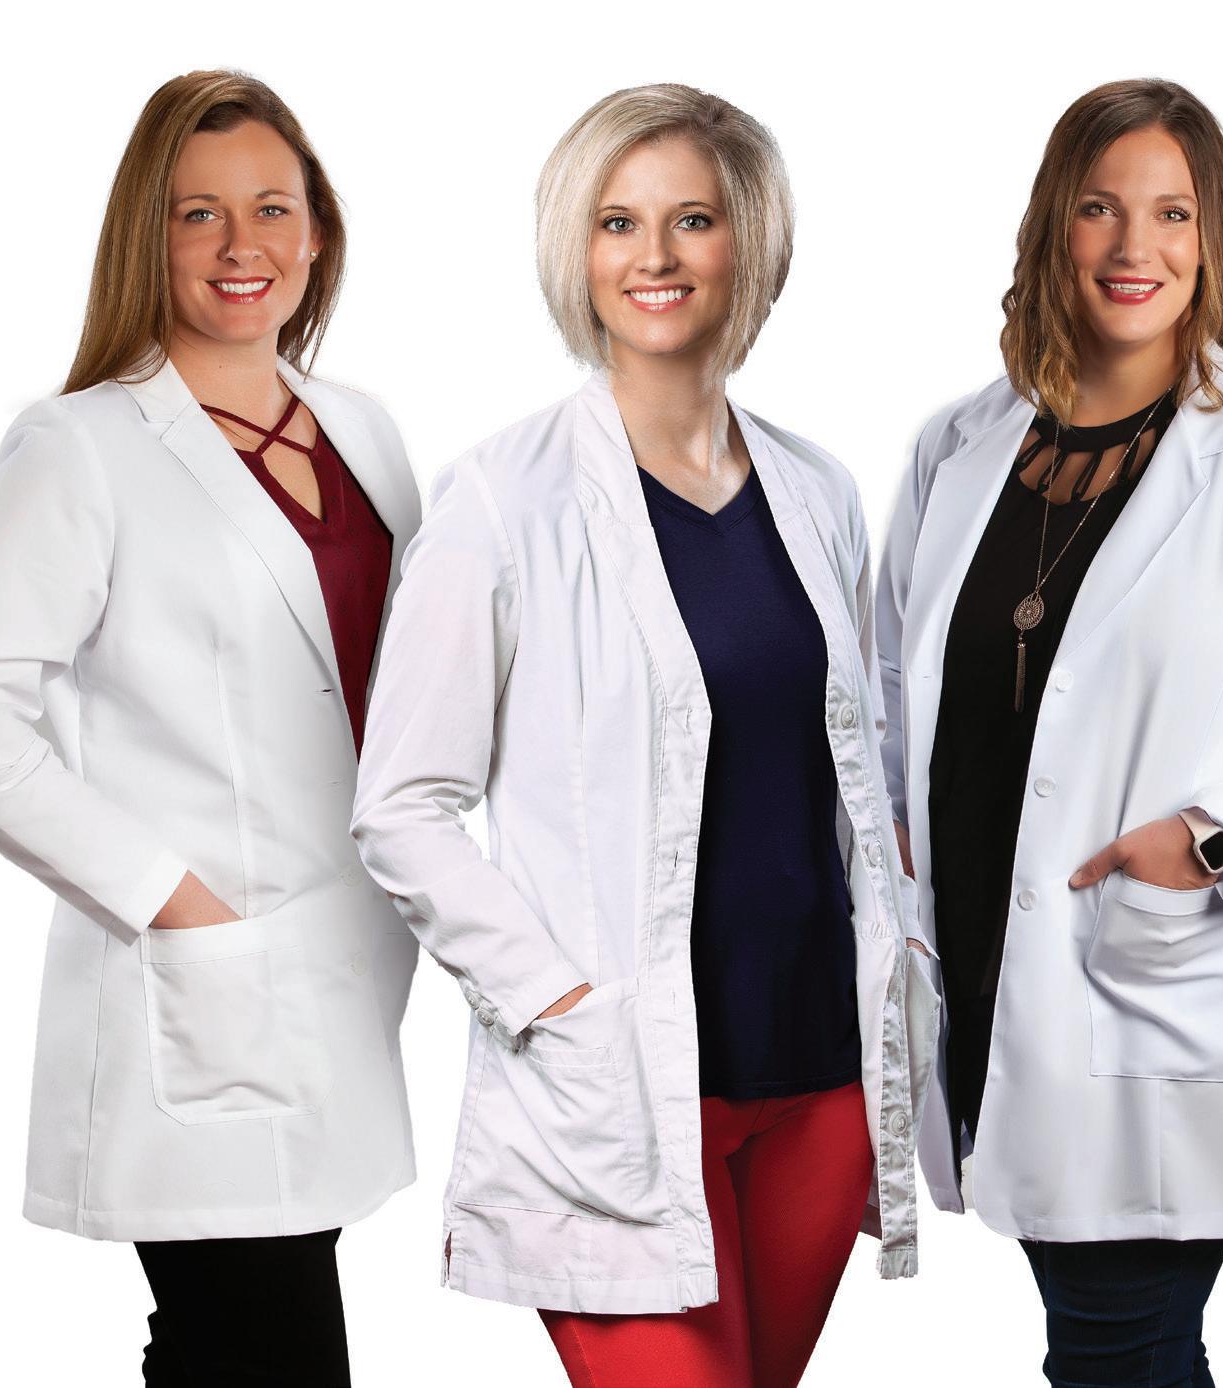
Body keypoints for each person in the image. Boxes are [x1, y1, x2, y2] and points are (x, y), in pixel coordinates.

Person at [352, 83, 937, 1388]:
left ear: (750, 243)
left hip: (820, 1081)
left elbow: (849, 767)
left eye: (694, 220)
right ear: (577, 249)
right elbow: (401, 805)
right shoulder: (501, 502)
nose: (655, 256)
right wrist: (550, 996)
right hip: (615, 1086)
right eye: (618, 222)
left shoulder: (817, 489)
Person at [877, 78, 1223, 1387]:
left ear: (1214, 235)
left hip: (1151, 983)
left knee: (1117, 1348)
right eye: (1101, 208)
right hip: (980, 970)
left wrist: (1211, 837)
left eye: (1173, 212)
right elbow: (892, 676)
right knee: (1111, 1351)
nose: (1136, 246)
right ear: (1053, 228)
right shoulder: (962, 445)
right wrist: (895, 829)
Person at [0, 70, 422, 1386]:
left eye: (271, 208)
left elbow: (402, 681)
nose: (242, 245)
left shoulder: (361, 431)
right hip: (198, 988)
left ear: (318, 231)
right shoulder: (82, 449)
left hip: (344, 981)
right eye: (199, 213)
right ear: (151, 235)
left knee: (216, 1354)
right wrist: (175, 901)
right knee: (270, 1354)